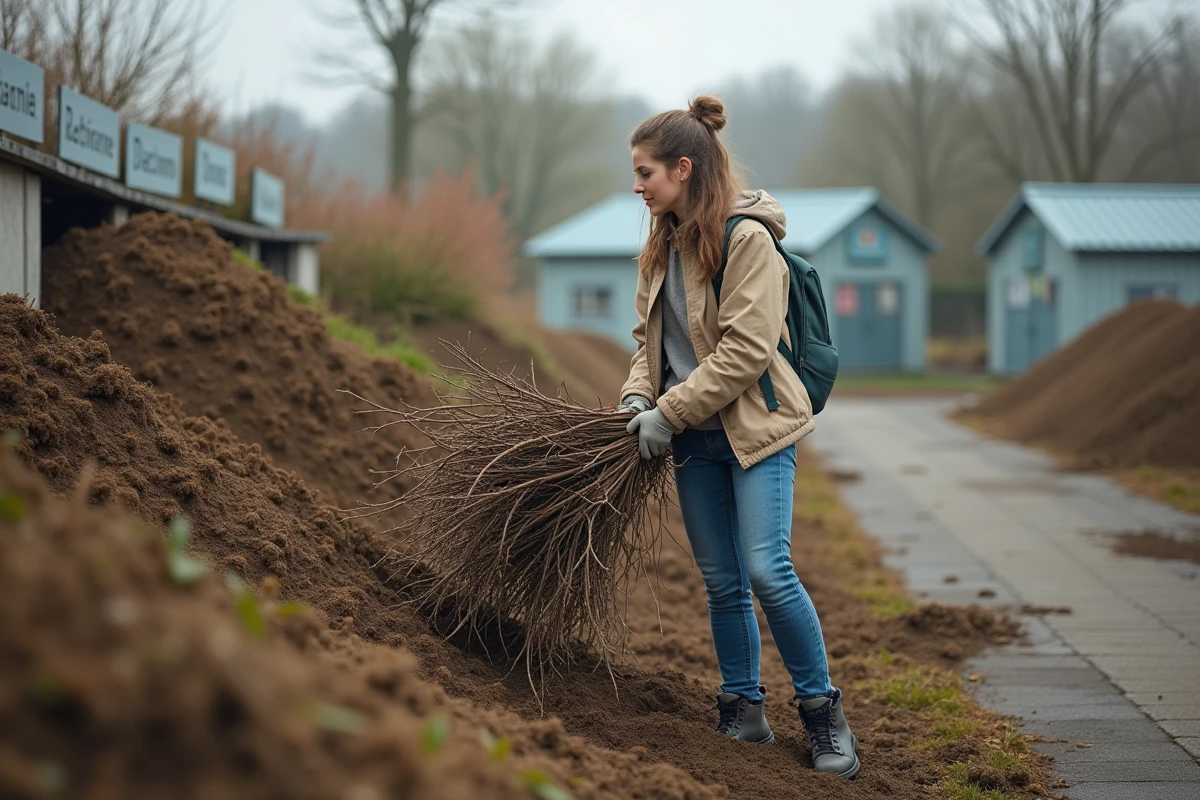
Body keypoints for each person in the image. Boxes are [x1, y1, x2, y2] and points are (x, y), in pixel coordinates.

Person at [617, 95, 859, 780]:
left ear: (684, 168)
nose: (637, 187)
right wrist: (639, 394)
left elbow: (746, 351)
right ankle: (743, 710)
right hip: (695, 435)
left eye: (645, 174)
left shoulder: (747, 239)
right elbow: (649, 342)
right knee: (722, 581)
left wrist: (668, 413)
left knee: (766, 571)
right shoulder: (660, 245)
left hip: (755, 430)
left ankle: (823, 716)